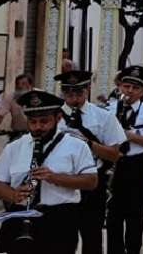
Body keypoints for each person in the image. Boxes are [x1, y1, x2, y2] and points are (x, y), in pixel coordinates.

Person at [0, 91, 98, 254]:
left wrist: (54, 177)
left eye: (44, 121)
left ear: (58, 118)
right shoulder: (14, 147)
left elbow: (91, 181)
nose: (37, 127)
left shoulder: (76, 145)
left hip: (59, 219)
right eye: (32, 122)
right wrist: (13, 195)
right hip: (21, 215)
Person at [55, 70, 127, 254]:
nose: (74, 98)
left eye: (78, 92)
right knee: (61, 238)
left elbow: (114, 154)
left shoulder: (103, 116)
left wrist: (87, 143)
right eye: (69, 93)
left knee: (92, 236)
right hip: (61, 183)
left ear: (88, 89)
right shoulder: (52, 117)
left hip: (92, 183)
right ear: (63, 92)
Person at [106, 65, 143, 254]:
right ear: (120, 87)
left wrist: (131, 136)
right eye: (126, 86)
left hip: (137, 164)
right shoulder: (109, 110)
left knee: (135, 212)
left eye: (135, 88)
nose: (129, 91)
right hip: (113, 164)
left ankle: (133, 249)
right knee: (113, 214)